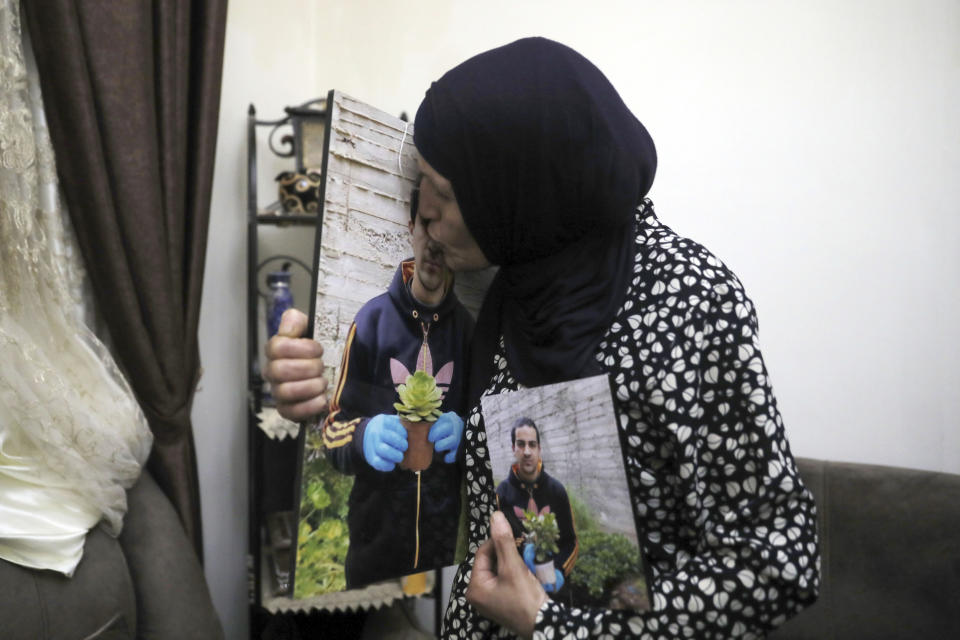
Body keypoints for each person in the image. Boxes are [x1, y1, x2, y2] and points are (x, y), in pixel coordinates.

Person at [266, 37, 819, 639]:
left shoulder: (688, 300)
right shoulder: (498, 287)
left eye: (444, 193)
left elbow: (777, 559)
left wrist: (552, 627)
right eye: (417, 183)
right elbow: (430, 469)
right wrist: (313, 398)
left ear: (518, 190)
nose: (422, 213)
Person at [315, 194, 474, 588]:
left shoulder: (468, 334)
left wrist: (469, 431)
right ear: (411, 228)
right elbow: (331, 429)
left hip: (440, 555)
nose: (435, 242)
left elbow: (486, 429)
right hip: (373, 553)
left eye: (447, 230)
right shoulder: (371, 320)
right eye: (426, 224)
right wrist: (362, 435)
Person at [495, 418, 578, 594]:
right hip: (519, 594)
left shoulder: (557, 490)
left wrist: (559, 572)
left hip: (554, 592)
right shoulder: (501, 495)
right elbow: (496, 548)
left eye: (532, 445)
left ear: (539, 449)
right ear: (513, 448)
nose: (527, 451)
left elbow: (571, 542)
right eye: (521, 444)